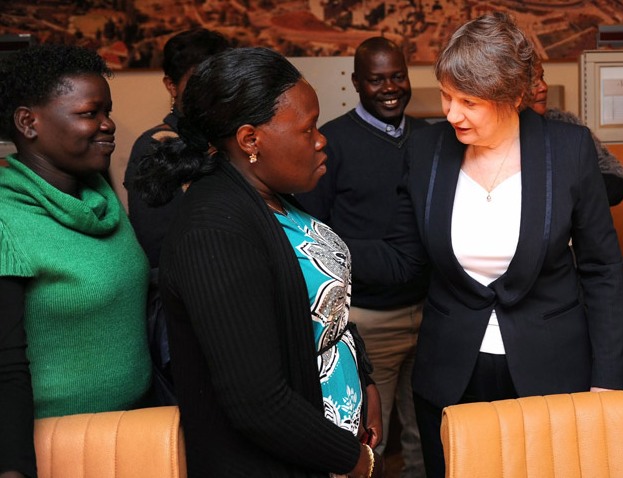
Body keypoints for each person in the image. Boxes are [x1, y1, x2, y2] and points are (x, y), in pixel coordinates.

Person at [346, 12, 623, 478]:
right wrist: (313, 244)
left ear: (513, 97)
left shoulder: (569, 149)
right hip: (450, 371)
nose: (452, 113)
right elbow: (403, 257)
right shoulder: (426, 150)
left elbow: (601, 269)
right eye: (447, 95)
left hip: (552, 368)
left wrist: (607, 379)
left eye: (469, 102)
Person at [132, 47, 383, 478]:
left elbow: (320, 300)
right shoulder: (214, 234)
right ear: (251, 140)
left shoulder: (273, 197)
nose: (321, 140)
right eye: (308, 129)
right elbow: (258, 403)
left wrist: (364, 377)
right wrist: (355, 460)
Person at [0, 44, 152, 478]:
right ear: (29, 122)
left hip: (132, 431)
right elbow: (3, 367)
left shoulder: (99, 198)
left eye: (108, 111)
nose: (108, 125)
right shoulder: (6, 218)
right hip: (58, 449)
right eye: (89, 113)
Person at [296, 36, 428, 477]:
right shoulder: (328, 143)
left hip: (433, 311)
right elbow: (317, 237)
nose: (390, 87)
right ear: (356, 82)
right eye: (376, 80)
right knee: (369, 441)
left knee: (428, 436)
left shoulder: (433, 138)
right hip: (369, 318)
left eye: (397, 76)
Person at [124, 27, 231, 268]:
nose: (211, 92)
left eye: (219, 81)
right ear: (171, 85)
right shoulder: (156, 145)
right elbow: (158, 247)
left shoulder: (231, 138)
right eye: (198, 82)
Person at [530, 60, 623, 206]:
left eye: (542, 78)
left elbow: (616, 180)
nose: (544, 87)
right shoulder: (494, 135)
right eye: (532, 82)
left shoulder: (567, 125)